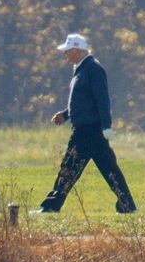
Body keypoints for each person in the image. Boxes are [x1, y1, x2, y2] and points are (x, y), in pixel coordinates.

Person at [35, 33, 137, 214]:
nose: (65, 55)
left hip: (88, 130)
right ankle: (127, 205)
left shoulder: (92, 69)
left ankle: (51, 206)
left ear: (76, 50)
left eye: (67, 51)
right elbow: (84, 101)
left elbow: (102, 100)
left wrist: (107, 126)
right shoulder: (82, 69)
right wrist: (66, 115)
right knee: (109, 168)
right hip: (89, 129)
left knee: (69, 167)